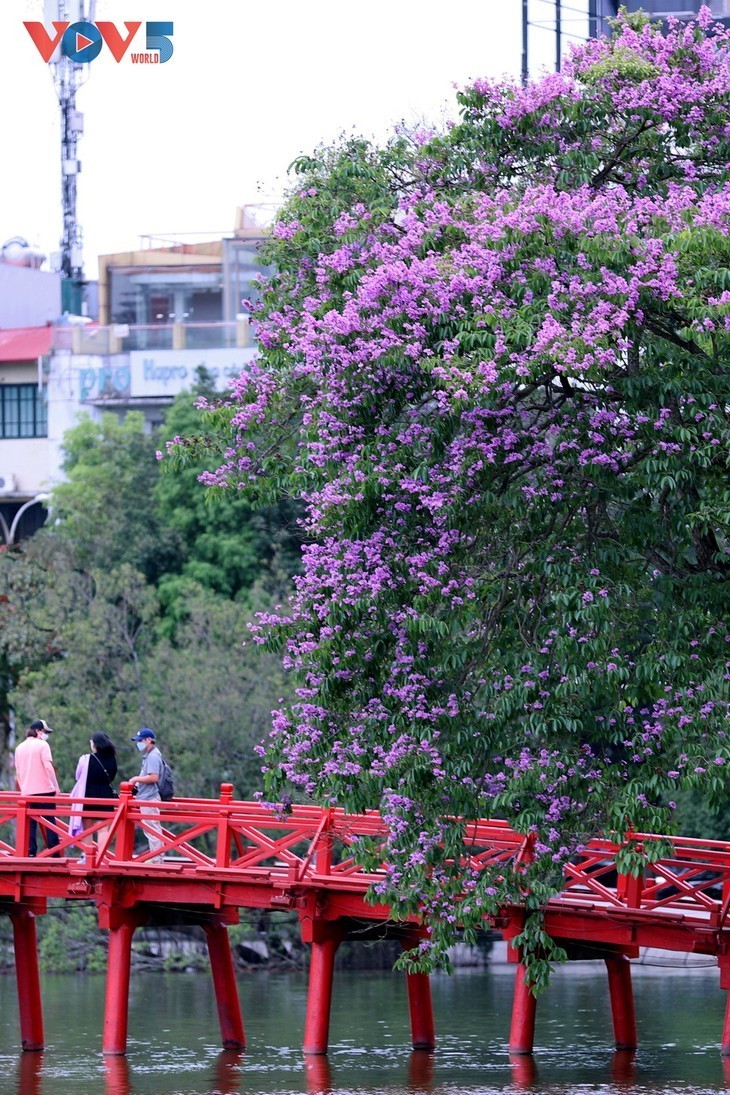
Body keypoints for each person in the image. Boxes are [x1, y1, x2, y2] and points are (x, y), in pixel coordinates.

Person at [14, 719, 61, 856]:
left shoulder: (19, 748)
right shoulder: (42, 745)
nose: (46, 735)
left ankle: (30, 852)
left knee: (30, 823)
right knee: (49, 823)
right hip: (45, 790)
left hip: (27, 792)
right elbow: (48, 766)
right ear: (38, 732)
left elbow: (18, 772)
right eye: (45, 732)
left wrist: (23, 788)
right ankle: (54, 852)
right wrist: (55, 786)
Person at [69, 732, 118, 851]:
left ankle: (88, 856)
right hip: (105, 795)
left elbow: (78, 776)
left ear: (95, 744)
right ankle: (101, 858)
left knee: (87, 829)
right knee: (103, 829)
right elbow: (112, 777)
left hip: (88, 794)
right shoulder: (112, 760)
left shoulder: (85, 759)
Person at [129, 727, 164, 860]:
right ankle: (156, 858)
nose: (139, 743)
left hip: (149, 797)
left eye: (141, 740)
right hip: (146, 796)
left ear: (149, 740)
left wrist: (135, 779)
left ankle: (156, 859)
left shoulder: (153, 756)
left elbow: (153, 777)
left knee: (152, 830)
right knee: (151, 829)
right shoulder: (150, 755)